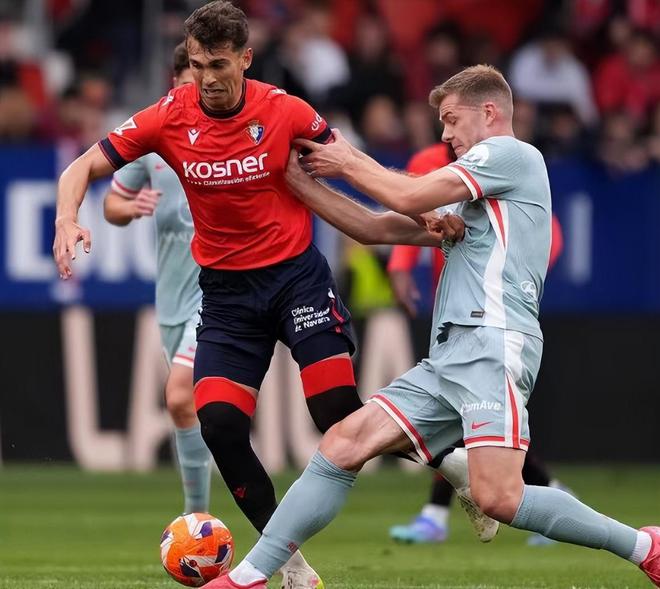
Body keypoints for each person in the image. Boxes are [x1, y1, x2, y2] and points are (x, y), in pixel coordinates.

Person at [51, 3, 479, 588]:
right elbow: (79, 168)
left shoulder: (284, 110)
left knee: (336, 412)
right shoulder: (168, 116)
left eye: (218, 64)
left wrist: (419, 209)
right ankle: (293, 567)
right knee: (220, 424)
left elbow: (355, 165)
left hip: (296, 279)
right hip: (228, 298)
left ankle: (453, 466)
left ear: (245, 59)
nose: (206, 78)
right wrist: (66, 218)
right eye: (197, 65)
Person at [207, 65, 659, 588]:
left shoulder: (512, 155)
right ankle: (249, 576)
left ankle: (644, 547)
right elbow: (373, 227)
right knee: (344, 442)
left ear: (488, 112)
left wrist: (347, 160)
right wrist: (294, 181)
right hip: (449, 356)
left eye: (451, 119)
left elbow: (407, 197)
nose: (445, 134)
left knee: (498, 497)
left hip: (493, 342)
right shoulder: (473, 198)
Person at [387, 144, 568, 547]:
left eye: (453, 120)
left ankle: (437, 515)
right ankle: (551, 492)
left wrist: (519, 276)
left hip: (493, 315)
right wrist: (401, 267)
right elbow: (408, 208)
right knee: (470, 419)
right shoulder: (426, 163)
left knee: (470, 417)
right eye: (445, 121)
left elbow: (548, 233)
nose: (450, 132)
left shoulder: (503, 161)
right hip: (449, 306)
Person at [102, 42, 212, 516]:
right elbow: (111, 204)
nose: (198, 94)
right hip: (171, 301)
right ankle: (200, 514)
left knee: (182, 395)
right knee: (190, 406)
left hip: (219, 295)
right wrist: (131, 206)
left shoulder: (229, 135)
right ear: (174, 84)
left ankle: (196, 518)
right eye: (190, 84)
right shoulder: (153, 137)